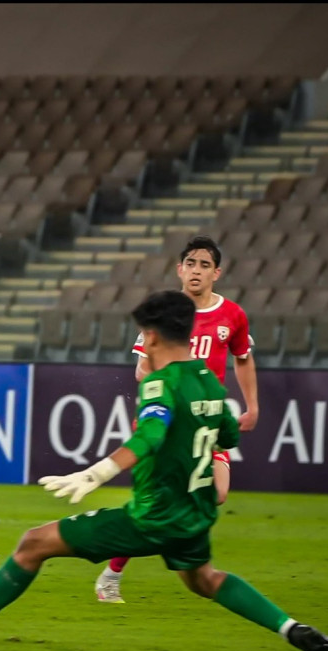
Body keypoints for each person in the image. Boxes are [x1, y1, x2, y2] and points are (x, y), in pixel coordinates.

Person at [0, 290, 328, 651]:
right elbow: (228, 434)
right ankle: (293, 629)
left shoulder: (160, 383)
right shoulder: (211, 384)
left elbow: (150, 436)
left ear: (152, 335)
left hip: (151, 516)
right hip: (193, 516)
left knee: (33, 543)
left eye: (143, 334)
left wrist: (97, 472)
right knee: (205, 580)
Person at [96, 234, 259, 603]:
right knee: (168, 503)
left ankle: (123, 563)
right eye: (191, 263)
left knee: (216, 494)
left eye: (204, 265)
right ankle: (112, 573)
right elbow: (141, 369)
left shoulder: (233, 315)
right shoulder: (165, 313)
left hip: (208, 421)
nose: (196, 270)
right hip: (171, 420)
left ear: (217, 272)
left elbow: (243, 358)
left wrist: (253, 405)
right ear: (179, 269)